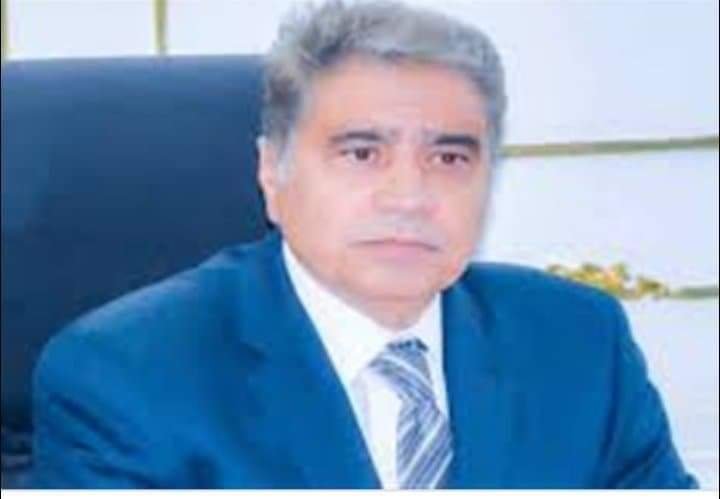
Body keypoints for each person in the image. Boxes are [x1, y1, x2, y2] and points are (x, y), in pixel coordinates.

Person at [31, 0, 698, 489]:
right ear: (272, 173)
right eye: (361, 153)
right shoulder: (123, 375)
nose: (409, 196)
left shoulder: (579, 342)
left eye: (449, 158)